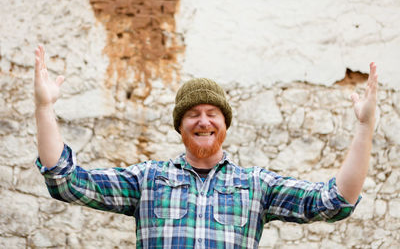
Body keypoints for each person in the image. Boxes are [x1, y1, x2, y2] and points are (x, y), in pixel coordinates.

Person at [34, 44, 378, 248]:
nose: (203, 121)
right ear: (180, 127)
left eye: (213, 113)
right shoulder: (148, 180)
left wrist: (364, 126)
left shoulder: (256, 185)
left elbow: (335, 202)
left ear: (225, 125)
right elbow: (67, 182)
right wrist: (44, 107)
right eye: (193, 115)